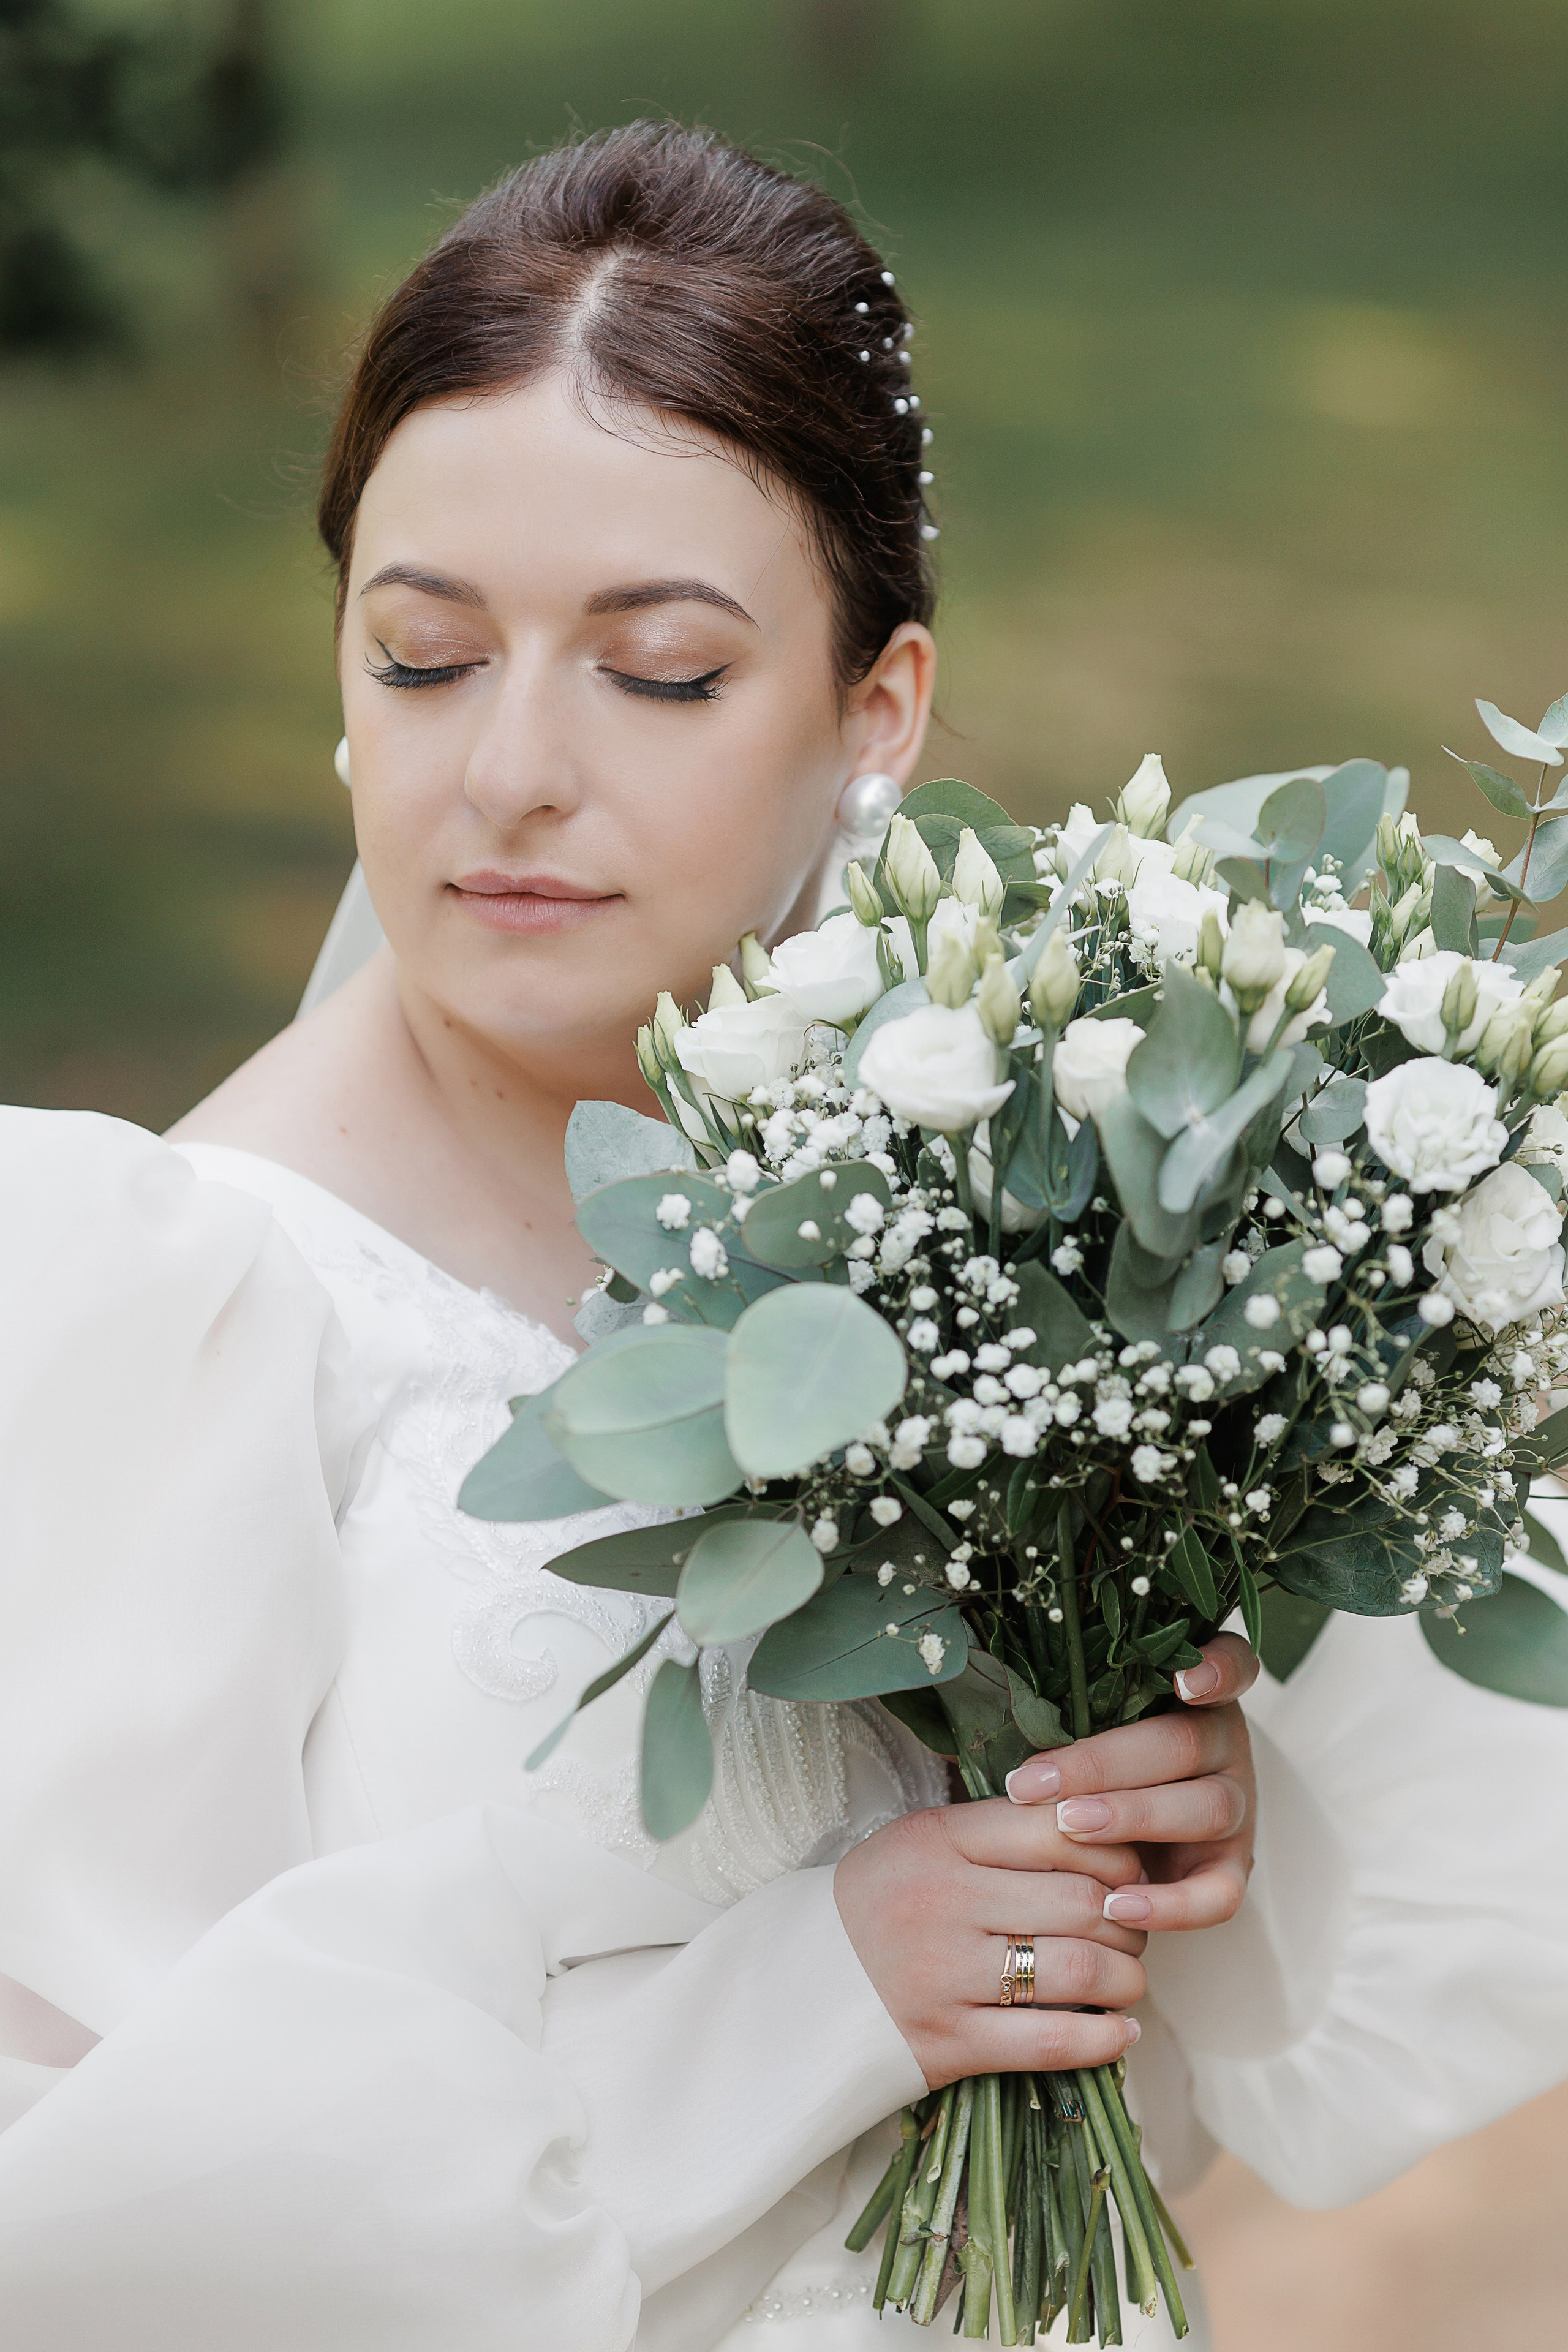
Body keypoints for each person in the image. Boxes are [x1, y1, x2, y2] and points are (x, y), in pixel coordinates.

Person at [1, 124, 1565, 2351]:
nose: (512, 772)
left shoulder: (1007, 1228)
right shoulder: (146, 1314)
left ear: (878, 713)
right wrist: (812, 1999)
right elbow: (86, 2228)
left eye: (656, 671)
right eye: (426, 658)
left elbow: (1166, 2062)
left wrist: (1145, 1829)